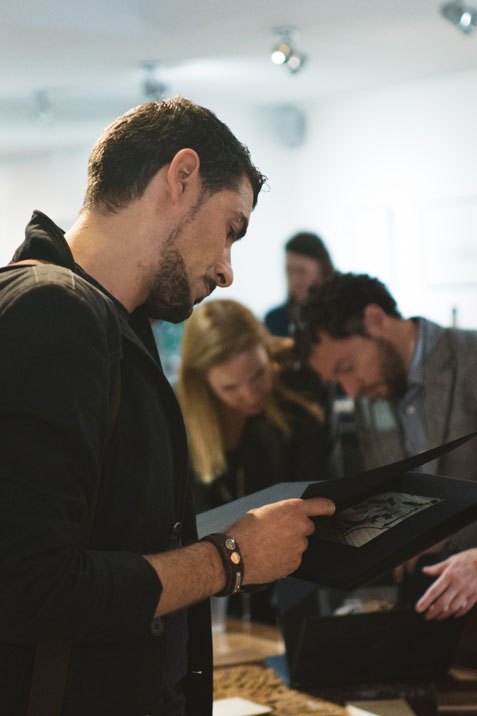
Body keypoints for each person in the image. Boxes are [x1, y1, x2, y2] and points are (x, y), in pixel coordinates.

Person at [0, 97, 336, 716]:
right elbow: (29, 583)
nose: (229, 271)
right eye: (231, 229)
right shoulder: (56, 308)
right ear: (182, 177)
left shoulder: (104, 321)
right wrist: (232, 559)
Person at [299, 271, 477, 618]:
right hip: (433, 607)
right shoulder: (368, 397)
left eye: (347, 367)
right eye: (337, 380)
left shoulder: (471, 359)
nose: (350, 390)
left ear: (376, 320)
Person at [177, 299, 340, 624]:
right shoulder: (180, 418)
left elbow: (315, 490)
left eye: (258, 375)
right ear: (202, 380)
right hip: (216, 592)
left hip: (297, 571)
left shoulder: (300, 396)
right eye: (231, 387)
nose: (250, 395)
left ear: (267, 349)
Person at [264, 231, 334, 338]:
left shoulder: (339, 319)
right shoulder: (275, 320)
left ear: (322, 271)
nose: (294, 280)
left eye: (302, 271)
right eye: (289, 270)